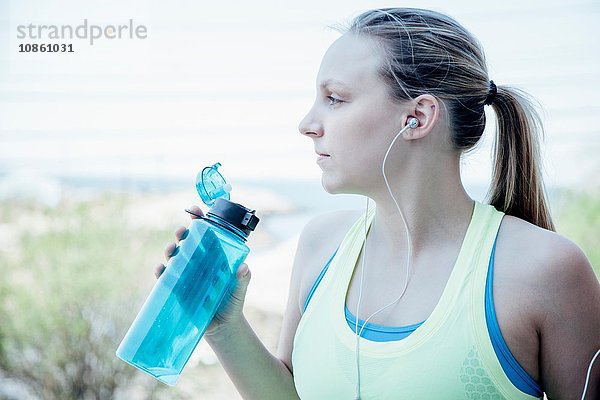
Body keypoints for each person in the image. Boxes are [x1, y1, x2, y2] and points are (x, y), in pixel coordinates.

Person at [156, 7, 600, 399]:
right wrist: (224, 325)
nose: (308, 124)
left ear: (418, 118)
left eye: (334, 98)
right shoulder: (319, 245)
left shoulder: (546, 270)